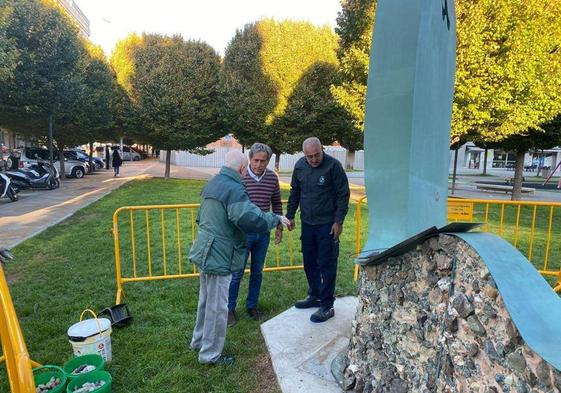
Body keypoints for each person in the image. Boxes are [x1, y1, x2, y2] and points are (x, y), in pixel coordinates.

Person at [189, 150, 289, 365]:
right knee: (217, 307)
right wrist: (274, 219)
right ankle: (209, 355)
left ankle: (198, 342)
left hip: (205, 248)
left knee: (205, 302)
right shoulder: (234, 188)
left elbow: (202, 217)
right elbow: (248, 219)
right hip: (220, 252)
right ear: (243, 168)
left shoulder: (214, 182)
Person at [286, 137, 350, 323]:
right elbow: (294, 192)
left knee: (327, 264)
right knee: (309, 262)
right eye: (309, 156)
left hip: (327, 225)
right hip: (308, 223)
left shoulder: (333, 166)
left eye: (317, 155)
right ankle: (314, 295)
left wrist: (338, 221)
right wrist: (290, 215)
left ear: (322, 150)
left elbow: (343, 195)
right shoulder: (300, 166)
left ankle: (327, 305)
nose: (314, 159)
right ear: (304, 155)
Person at [227, 143, 283, 327]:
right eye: (256, 160)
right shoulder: (240, 177)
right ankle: (229, 309)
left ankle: (252, 306)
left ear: (268, 161)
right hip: (243, 234)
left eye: (263, 161)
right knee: (237, 273)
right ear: (250, 159)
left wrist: (279, 228)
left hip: (263, 234)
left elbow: (276, 204)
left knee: (257, 272)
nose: (259, 164)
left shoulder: (272, 179)